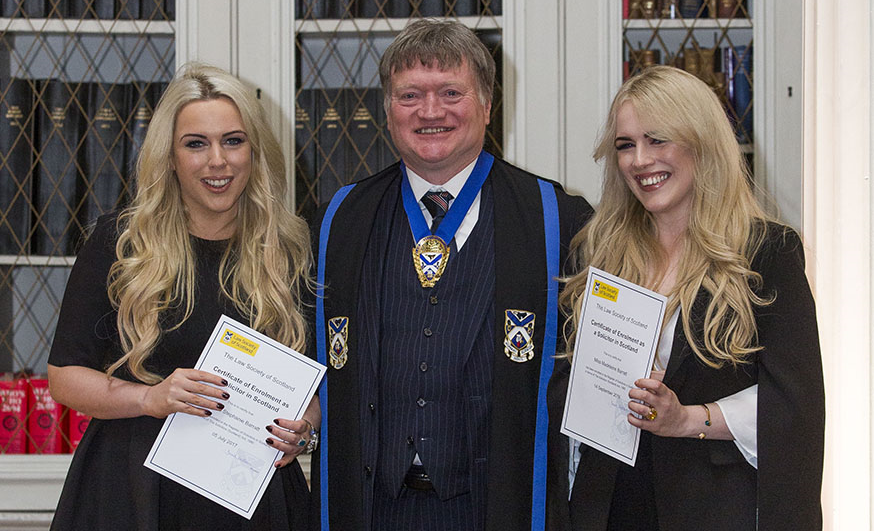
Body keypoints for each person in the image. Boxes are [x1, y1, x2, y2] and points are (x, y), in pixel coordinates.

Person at [310, 18, 593, 531]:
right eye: (410, 95)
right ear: (388, 111)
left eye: (451, 92)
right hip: (376, 506)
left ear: (487, 104)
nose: (430, 111)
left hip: (496, 505)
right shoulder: (340, 219)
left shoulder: (558, 218)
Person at [546, 65, 825, 530]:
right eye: (625, 145)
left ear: (702, 144)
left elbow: (793, 409)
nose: (639, 160)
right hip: (607, 505)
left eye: (658, 140)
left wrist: (688, 418)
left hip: (713, 508)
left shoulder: (767, 254)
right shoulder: (598, 255)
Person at [47, 63, 315, 530]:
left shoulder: (292, 250)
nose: (218, 161)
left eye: (233, 141)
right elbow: (65, 378)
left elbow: (316, 379)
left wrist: (304, 430)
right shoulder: (122, 243)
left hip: (253, 493)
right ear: (169, 157)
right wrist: (149, 398)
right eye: (196, 144)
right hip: (133, 491)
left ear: (254, 152)